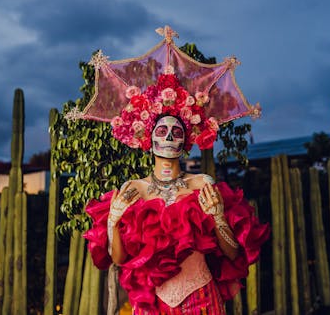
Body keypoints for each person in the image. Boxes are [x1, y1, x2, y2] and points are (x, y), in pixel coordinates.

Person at [83, 71, 270, 314]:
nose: (170, 137)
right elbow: (118, 260)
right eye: (162, 131)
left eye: (177, 132)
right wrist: (112, 221)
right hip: (153, 305)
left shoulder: (201, 184)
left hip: (202, 299)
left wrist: (219, 217)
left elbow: (233, 253)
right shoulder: (133, 190)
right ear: (148, 137)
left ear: (186, 140)